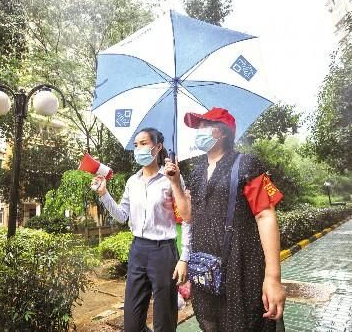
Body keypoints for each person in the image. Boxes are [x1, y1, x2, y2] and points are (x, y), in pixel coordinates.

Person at [182, 107, 286, 331]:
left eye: (204, 126)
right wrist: (173, 183)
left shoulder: (247, 164)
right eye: (198, 127)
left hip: (243, 269)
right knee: (210, 325)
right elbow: (188, 216)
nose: (199, 131)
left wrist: (273, 277)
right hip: (205, 270)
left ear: (222, 132)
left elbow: (265, 216)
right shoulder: (196, 170)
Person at [92, 127, 192, 332]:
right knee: (132, 323)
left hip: (163, 252)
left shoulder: (171, 177)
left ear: (158, 147)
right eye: (136, 145)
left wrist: (184, 258)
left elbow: (187, 218)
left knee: (164, 320)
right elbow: (122, 215)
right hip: (138, 249)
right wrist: (104, 194)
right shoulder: (132, 181)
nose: (139, 149)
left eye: (144, 143)